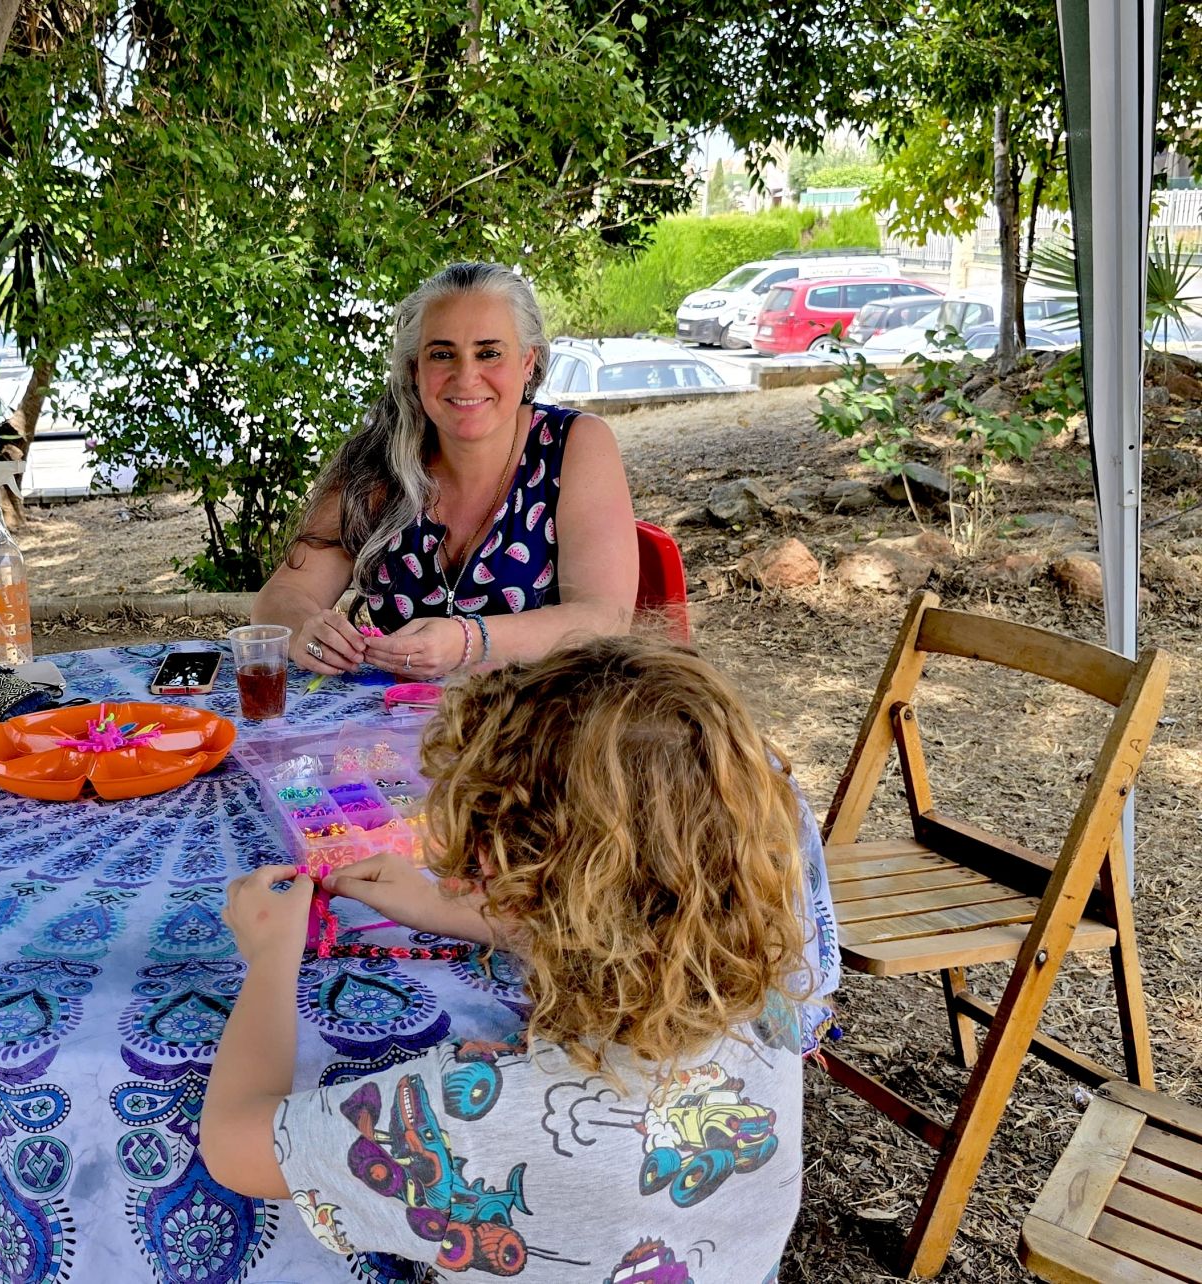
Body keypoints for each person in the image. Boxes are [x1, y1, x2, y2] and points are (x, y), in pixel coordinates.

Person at [203, 638, 839, 1281]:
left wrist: (270, 958)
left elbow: (235, 1145)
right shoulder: (773, 991)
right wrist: (453, 914)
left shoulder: (475, 1117)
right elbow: (638, 916)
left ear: (501, 868)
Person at [253, 262, 638, 680]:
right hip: (391, 730)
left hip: (539, 727)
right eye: (442, 354)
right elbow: (284, 596)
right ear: (415, 369)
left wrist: (467, 640)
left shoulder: (574, 444)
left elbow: (604, 620)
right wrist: (304, 631)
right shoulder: (379, 459)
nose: (466, 376)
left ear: (528, 362)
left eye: (488, 353)